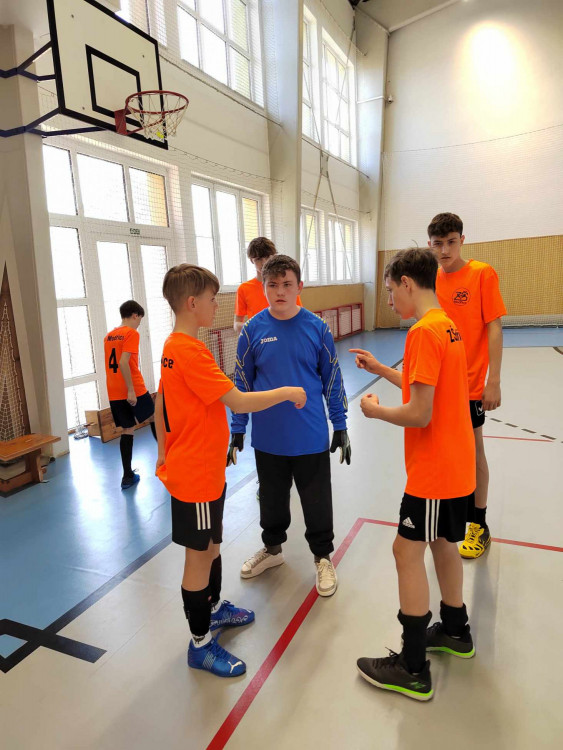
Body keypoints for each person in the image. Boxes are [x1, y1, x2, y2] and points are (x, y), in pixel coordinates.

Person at [154, 263, 306, 678]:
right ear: (192, 303)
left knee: (213, 545)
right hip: (196, 473)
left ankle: (215, 607)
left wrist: (163, 452)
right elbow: (237, 401)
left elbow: (161, 402)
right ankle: (200, 644)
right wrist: (287, 392)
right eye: (210, 298)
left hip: (204, 467)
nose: (216, 305)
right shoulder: (189, 351)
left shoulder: (173, 345)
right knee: (198, 556)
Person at [352, 248, 476, 702]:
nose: (389, 301)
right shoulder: (446, 324)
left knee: (405, 552)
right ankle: (456, 630)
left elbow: (420, 413)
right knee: (442, 543)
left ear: (407, 282)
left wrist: (375, 411)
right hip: (456, 465)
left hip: (434, 472)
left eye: (390, 291)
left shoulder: (423, 332)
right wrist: (381, 369)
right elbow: (429, 388)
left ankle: (412, 666)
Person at [229, 255, 350, 597]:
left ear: (299, 287)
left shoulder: (317, 328)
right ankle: (272, 550)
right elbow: (241, 382)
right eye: (273, 285)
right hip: (268, 438)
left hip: (310, 436)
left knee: (316, 501)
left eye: (287, 284)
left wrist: (340, 424)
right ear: (263, 287)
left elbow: (332, 379)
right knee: (271, 500)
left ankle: (323, 557)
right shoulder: (252, 330)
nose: (280, 292)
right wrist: (237, 428)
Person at [428, 213, 506, 559]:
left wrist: (494, 380)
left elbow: (494, 327)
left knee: (474, 452)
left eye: (451, 242)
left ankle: (479, 524)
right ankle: (451, 516)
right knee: (442, 452)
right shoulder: (430, 278)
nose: (444, 250)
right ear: (430, 244)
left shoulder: (481, 274)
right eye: (438, 244)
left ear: (462, 240)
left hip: (470, 385)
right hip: (437, 385)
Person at [104, 300, 156, 490]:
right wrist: (131, 390)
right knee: (154, 416)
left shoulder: (108, 336)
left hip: (114, 391)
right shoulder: (131, 333)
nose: (138, 324)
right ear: (135, 315)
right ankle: (167, 459)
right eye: (139, 320)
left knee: (127, 429)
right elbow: (123, 362)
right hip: (132, 387)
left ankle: (127, 476)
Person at [233, 237, 302, 334]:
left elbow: (298, 316)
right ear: (251, 260)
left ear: (274, 257)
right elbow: (237, 324)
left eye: (267, 257)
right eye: (258, 259)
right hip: (259, 339)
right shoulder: (244, 288)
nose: (264, 263)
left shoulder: (286, 285)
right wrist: (258, 327)